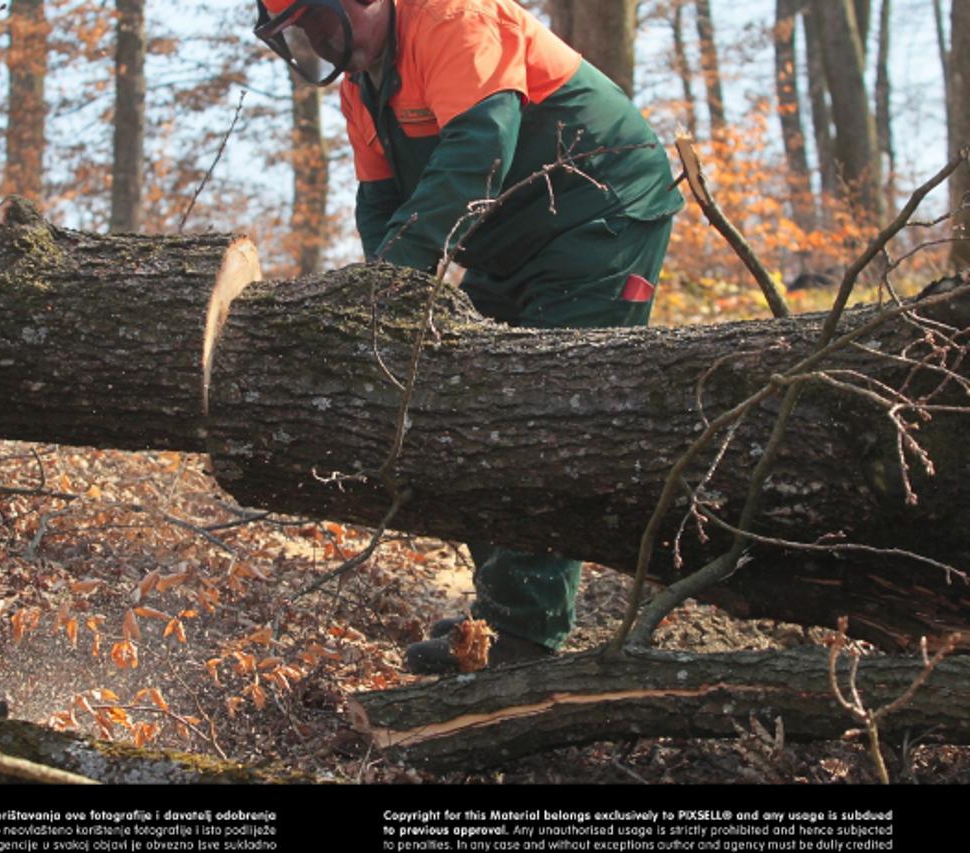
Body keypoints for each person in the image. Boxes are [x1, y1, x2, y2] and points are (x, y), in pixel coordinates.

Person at [253, 0, 683, 673]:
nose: (316, 41)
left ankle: (523, 634)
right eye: (300, 35)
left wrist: (400, 277)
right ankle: (498, 613)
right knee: (468, 405)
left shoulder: (455, 17)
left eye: (318, 24)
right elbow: (381, 204)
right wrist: (382, 306)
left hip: (600, 210)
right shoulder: (361, 91)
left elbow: (477, 150)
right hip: (509, 239)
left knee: (543, 412)